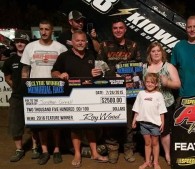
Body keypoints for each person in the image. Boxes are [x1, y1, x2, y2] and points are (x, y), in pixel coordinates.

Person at [51, 30, 108, 167]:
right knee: (75, 128)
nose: (81, 43)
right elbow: (53, 71)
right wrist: (60, 75)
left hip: (90, 96)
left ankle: (94, 153)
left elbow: (103, 68)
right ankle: (77, 153)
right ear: (72, 42)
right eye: (78, 40)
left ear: (86, 42)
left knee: (91, 126)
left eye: (83, 40)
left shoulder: (91, 54)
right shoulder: (64, 56)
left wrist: (100, 71)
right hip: (72, 96)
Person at [21, 19, 68, 165]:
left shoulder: (60, 47)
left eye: (47, 29)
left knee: (56, 123)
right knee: (41, 124)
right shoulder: (30, 47)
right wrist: (25, 87)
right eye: (41, 29)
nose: (43, 32)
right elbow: (25, 70)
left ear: (52, 31)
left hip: (56, 89)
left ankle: (57, 150)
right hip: (36, 89)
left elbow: (66, 67)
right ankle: (45, 150)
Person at [96, 18, 141, 164]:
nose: (118, 30)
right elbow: (99, 66)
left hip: (129, 91)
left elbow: (138, 68)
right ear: (112, 29)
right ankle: (112, 149)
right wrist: (111, 75)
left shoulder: (133, 46)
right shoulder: (104, 45)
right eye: (115, 28)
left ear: (125, 29)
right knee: (111, 119)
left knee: (129, 121)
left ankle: (128, 148)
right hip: (110, 90)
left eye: (121, 28)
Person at [1, 32, 40, 162]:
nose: (19, 44)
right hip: (17, 97)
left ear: (27, 43)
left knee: (34, 124)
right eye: (17, 41)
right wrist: (16, 88)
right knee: (15, 124)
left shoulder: (33, 58)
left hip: (32, 96)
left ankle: (35, 147)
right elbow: (7, 77)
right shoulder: (11, 60)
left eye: (22, 41)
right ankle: (19, 149)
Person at [142, 42, 180, 165]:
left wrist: (167, 82)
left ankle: (168, 155)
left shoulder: (168, 66)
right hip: (149, 106)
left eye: (158, 50)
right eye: (153, 51)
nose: (156, 53)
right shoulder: (144, 67)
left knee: (164, 132)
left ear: (162, 52)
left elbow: (178, 84)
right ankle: (152, 156)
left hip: (165, 105)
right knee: (151, 133)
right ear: (149, 54)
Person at [132, 73, 167, 169]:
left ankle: (155, 162)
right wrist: (134, 120)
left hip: (155, 124)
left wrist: (162, 122)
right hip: (143, 124)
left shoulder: (158, 95)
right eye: (147, 82)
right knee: (147, 143)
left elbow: (162, 111)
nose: (149, 84)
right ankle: (147, 162)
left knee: (155, 143)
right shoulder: (141, 94)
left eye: (152, 82)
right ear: (144, 82)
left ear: (156, 84)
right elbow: (137, 109)